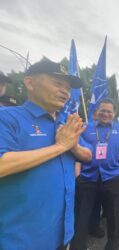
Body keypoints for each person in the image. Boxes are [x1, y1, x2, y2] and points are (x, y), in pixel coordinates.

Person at [0, 59, 92, 250]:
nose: (65, 92)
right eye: (57, 83)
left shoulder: (66, 121)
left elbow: (88, 154)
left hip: (62, 233)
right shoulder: (8, 117)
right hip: (21, 239)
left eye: (68, 87)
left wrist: (73, 147)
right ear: (30, 83)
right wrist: (61, 147)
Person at [71, 99, 119, 250]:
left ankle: (113, 244)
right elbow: (77, 150)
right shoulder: (86, 128)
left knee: (113, 214)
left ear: (114, 113)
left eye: (109, 111)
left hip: (111, 177)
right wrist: (77, 174)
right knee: (82, 215)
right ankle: (78, 245)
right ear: (97, 112)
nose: (106, 114)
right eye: (103, 110)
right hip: (88, 177)